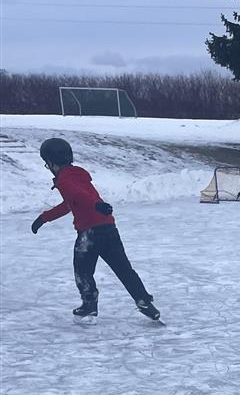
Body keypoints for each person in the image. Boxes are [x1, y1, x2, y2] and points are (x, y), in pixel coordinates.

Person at [31, 137, 160, 321]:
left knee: (82, 271)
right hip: (108, 227)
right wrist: (43, 218)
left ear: (50, 162)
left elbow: (79, 195)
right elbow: (70, 204)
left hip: (90, 233)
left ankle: (89, 304)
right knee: (123, 268)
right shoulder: (77, 175)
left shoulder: (65, 180)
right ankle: (144, 302)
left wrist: (96, 205)